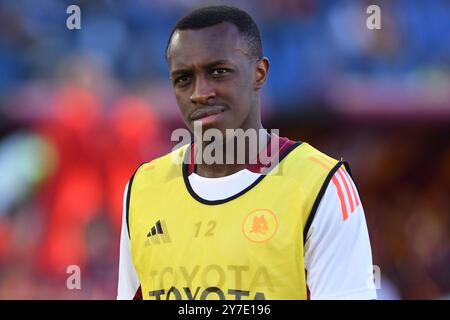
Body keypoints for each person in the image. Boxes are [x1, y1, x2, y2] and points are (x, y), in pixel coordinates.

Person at [117, 5, 376, 300]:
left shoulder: (321, 184)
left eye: (218, 72)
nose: (200, 92)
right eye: (183, 79)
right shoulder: (142, 189)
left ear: (259, 73)